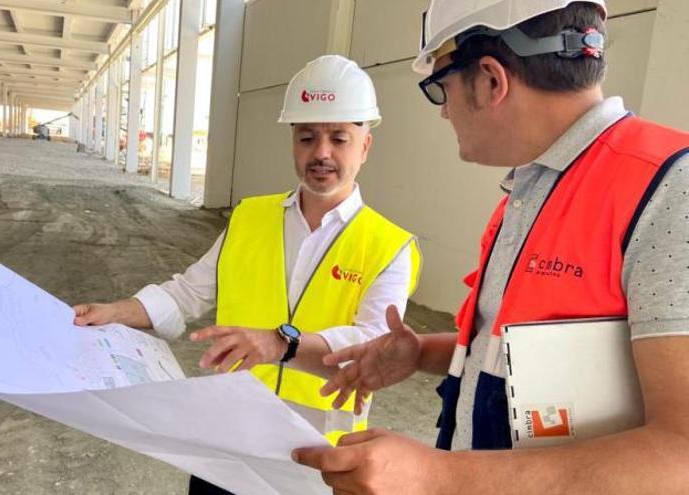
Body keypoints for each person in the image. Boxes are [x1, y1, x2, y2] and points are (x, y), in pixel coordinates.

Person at [292, 1, 689, 493]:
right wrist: (423, 354)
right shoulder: (533, 189)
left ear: (489, 80)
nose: (442, 111)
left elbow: (681, 455)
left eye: (440, 87)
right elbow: (534, 357)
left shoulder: (671, 191)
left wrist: (437, 477)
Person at [72, 54, 422, 494]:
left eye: (339, 138)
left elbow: (371, 344)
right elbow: (186, 293)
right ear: (293, 141)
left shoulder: (388, 245)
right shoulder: (249, 218)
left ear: (365, 146)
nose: (322, 153)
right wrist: (118, 311)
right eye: (307, 137)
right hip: (228, 434)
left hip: (316, 449)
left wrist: (281, 344)